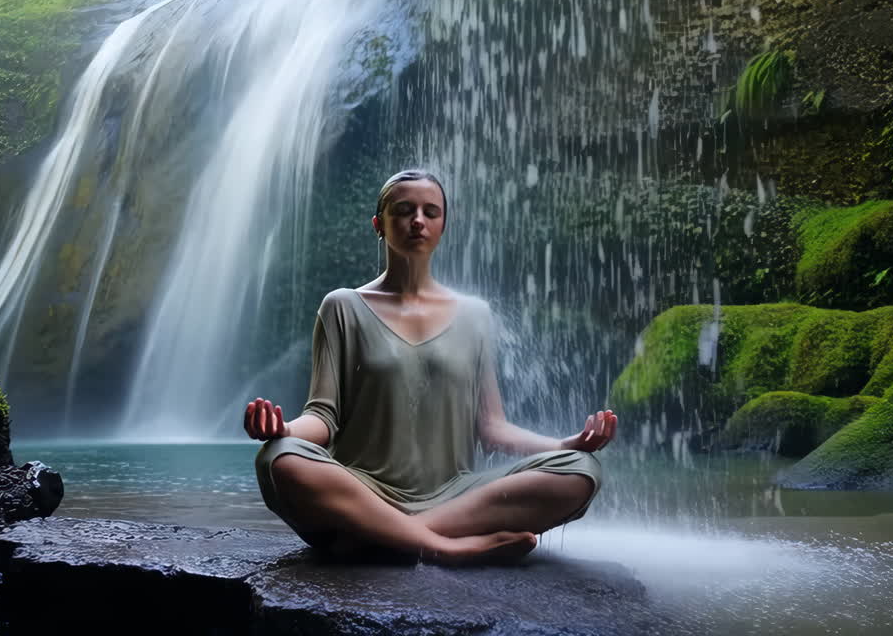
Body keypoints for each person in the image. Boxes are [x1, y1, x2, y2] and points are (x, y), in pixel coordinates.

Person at [245, 169, 617, 565]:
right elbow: (323, 416)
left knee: (581, 469)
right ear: (379, 225)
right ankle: (443, 545)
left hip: (455, 494)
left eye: (430, 212)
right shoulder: (343, 306)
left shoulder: (476, 315)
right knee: (278, 457)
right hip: (360, 488)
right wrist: (283, 430)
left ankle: (375, 535)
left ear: (443, 226)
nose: (417, 220)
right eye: (403, 210)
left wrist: (565, 444)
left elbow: (491, 427)